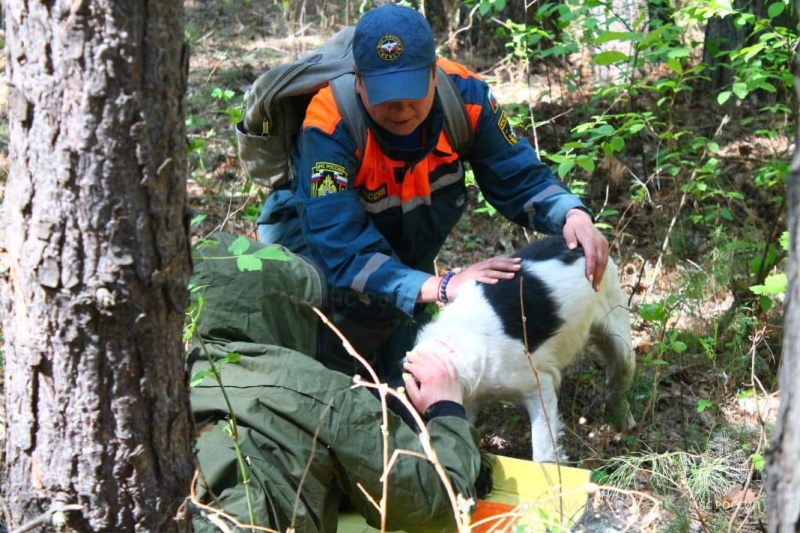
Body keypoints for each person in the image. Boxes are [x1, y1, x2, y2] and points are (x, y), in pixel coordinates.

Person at [255, 4, 610, 383]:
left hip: (404, 249)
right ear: (358, 79)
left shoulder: (467, 97)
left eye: (412, 91)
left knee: (410, 375)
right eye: (386, 96)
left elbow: (516, 173)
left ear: (433, 70)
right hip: (322, 254)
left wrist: (571, 213)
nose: (402, 109)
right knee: (345, 365)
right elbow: (337, 242)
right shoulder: (329, 123)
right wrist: (439, 286)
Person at [189, 232, 482, 532]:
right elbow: (439, 504)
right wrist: (445, 409)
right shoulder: (319, 392)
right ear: (287, 312)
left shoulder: (165, 385)